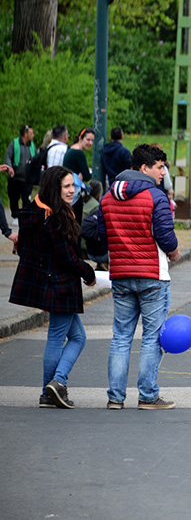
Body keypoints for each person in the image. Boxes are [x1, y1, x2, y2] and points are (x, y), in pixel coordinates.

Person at [97, 144, 181, 410]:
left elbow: (99, 234)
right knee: (151, 337)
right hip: (152, 275)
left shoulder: (108, 197)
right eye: (160, 167)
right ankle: (147, 396)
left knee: (121, 337)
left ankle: (115, 397)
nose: (163, 172)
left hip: (121, 274)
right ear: (144, 168)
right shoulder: (155, 197)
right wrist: (175, 252)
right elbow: (165, 236)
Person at [9, 166, 96, 408]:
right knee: (58, 337)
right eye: (66, 186)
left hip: (48, 284)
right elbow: (67, 257)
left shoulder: (35, 211)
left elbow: (24, 250)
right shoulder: (54, 218)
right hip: (61, 286)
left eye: (73, 185)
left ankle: (52, 389)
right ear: (54, 189)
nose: (72, 190)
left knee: (78, 337)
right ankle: (54, 387)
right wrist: (89, 273)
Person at [63, 127, 95, 221]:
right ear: (81, 138)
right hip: (75, 192)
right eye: (88, 139)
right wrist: (87, 172)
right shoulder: (79, 153)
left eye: (92, 140)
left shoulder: (71, 148)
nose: (90, 143)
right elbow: (87, 176)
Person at [3, 124, 35, 218]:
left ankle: (25, 217)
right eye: (31, 133)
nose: (33, 135)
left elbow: (36, 159)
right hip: (15, 178)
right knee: (14, 198)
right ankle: (15, 216)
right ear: (25, 134)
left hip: (27, 179)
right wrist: (10, 168)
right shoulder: (14, 144)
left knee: (26, 199)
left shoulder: (32, 146)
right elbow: (8, 157)